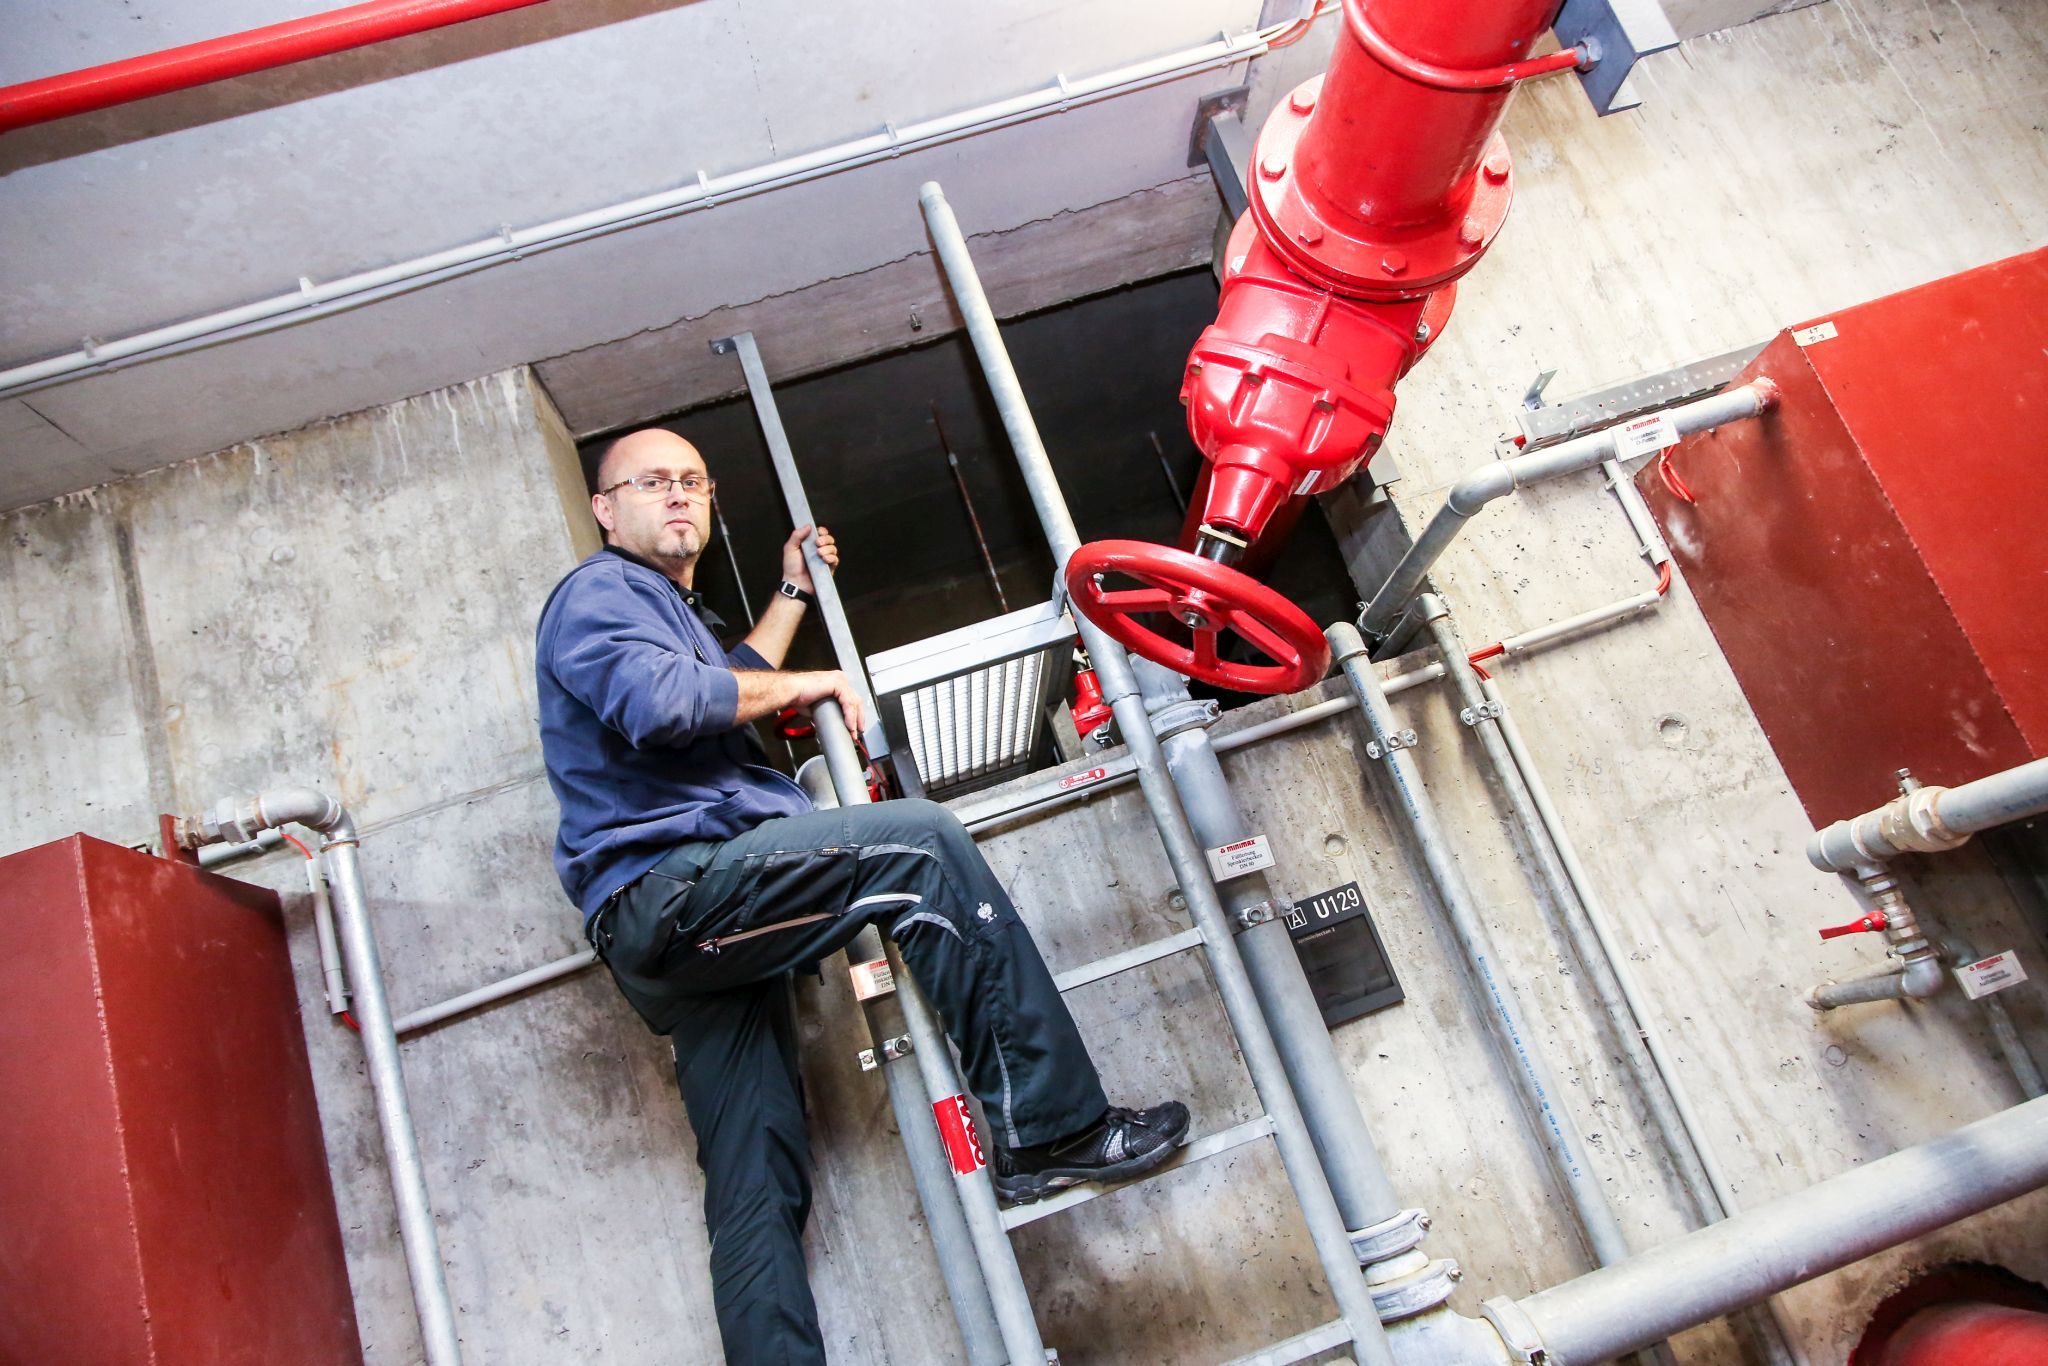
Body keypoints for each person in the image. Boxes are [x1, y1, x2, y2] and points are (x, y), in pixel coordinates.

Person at [534, 427, 1190, 1364]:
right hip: (675, 892)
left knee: (753, 1169)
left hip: (691, 933)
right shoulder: (599, 593)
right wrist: (820, 682)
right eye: (649, 484)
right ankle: (1051, 1129)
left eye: (691, 481)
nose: (676, 496)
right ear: (605, 509)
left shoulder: (667, 611)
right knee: (918, 842)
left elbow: (733, 679)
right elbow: (662, 705)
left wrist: (793, 591)